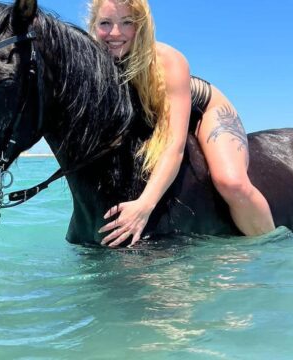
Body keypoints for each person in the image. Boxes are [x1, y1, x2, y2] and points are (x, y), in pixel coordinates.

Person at [88, 0, 276, 247]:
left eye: (127, 23)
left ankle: (274, 250)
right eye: (105, 23)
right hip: (152, 118)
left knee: (231, 182)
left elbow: (173, 146)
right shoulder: (91, 63)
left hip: (204, 111)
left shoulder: (168, 60)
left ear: (142, 26)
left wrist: (144, 206)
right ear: (93, 25)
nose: (115, 33)